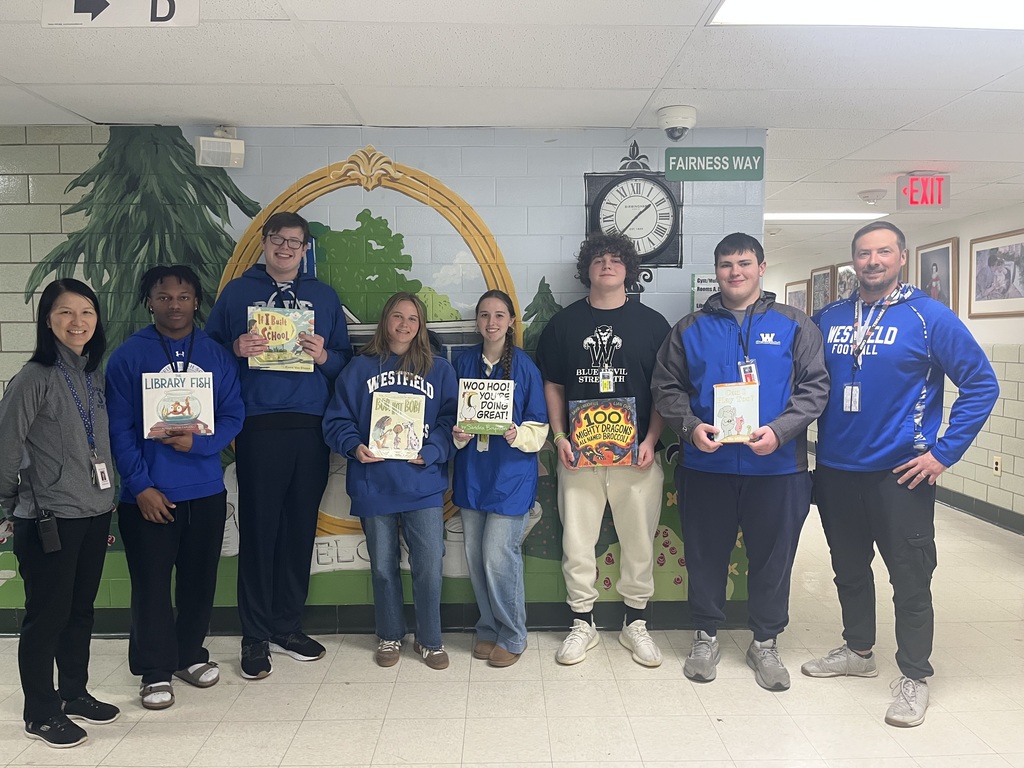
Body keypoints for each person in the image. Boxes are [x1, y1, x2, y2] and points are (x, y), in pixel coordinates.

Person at [804, 221, 998, 727]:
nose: (873, 261)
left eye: (883, 252)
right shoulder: (829, 317)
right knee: (848, 570)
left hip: (902, 475)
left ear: (902, 257)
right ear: (853, 261)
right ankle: (858, 652)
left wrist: (943, 453)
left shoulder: (931, 318)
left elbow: (981, 384)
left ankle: (913, 675)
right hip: (836, 471)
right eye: (864, 253)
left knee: (910, 578)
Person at [651, 233, 829, 690]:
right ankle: (706, 635)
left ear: (761, 266)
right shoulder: (689, 328)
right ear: (717, 271)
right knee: (705, 554)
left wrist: (781, 430)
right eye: (727, 264)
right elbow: (665, 388)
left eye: (744, 262)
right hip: (705, 465)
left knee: (773, 559)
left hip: (777, 468)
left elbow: (815, 389)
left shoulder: (795, 324)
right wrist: (690, 426)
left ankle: (765, 643)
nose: (735, 271)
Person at [205, 211, 352, 679]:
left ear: (305, 248)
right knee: (259, 530)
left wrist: (324, 355)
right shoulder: (237, 294)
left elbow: (345, 364)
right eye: (277, 240)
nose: (285, 248)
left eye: (294, 242)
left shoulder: (323, 297)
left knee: (297, 531)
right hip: (258, 425)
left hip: (309, 427)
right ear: (264, 243)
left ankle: (286, 626)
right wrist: (235, 349)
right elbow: (207, 355)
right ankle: (254, 637)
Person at [105, 266, 244, 710]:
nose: (175, 305)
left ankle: (188, 655)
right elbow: (119, 430)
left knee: (199, 583)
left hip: (204, 491)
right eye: (164, 297)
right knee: (150, 586)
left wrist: (200, 442)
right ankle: (154, 670)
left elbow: (233, 415)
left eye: (184, 297)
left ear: (196, 301)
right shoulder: (130, 355)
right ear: (149, 301)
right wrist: (140, 486)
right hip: (149, 495)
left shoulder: (215, 354)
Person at [535, 232, 670, 667]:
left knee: (639, 543)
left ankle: (636, 624)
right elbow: (552, 384)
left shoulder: (653, 324)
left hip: (638, 456)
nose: (607, 265)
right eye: (598, 259)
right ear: (587, 270)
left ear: (629, 269)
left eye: (615, 259)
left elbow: (664, 391)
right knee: (577, 542)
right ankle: (583, 623)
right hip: (580, 455)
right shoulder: (564, 324)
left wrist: (651, 441)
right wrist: (559, 439)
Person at [0, 279, 119, 748]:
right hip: (48, 518)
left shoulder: (92, 375)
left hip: (92, 513)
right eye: (65, 312)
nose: (77, 322)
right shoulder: (33, 378)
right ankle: (40, 712)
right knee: (46, 617)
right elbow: (6, 449)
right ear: (47, 320)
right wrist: (7, 506)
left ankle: (73, 693)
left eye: (86, 312)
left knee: (80, 612)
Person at [322, 292, 457, 670]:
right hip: (374, 482)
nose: (404, 324)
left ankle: (430, 640)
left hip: (423, 483)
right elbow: (336, 421)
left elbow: (450, 423)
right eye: (396, 316)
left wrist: (431, 452)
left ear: (421, 326)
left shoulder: (439, 369)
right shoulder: (358, 368)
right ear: (385, 321)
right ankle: (389, 635)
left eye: (412, 319)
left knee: (429, 566)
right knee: (382, 567)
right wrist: (354, 446)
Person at [451, 290, 548, 667]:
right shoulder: (463, 364)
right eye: (484, 315)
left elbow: (538, 426)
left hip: (510, 477)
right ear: (477, 321)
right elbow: (450, 419)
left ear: (511, 322)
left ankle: (513, 634)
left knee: (497, 556)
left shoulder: (525, 367)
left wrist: (516, 434)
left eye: (499, 316)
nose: (492, 322)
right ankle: (488, 628)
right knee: (475, 557)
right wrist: (459, 434)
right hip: (473, 473)